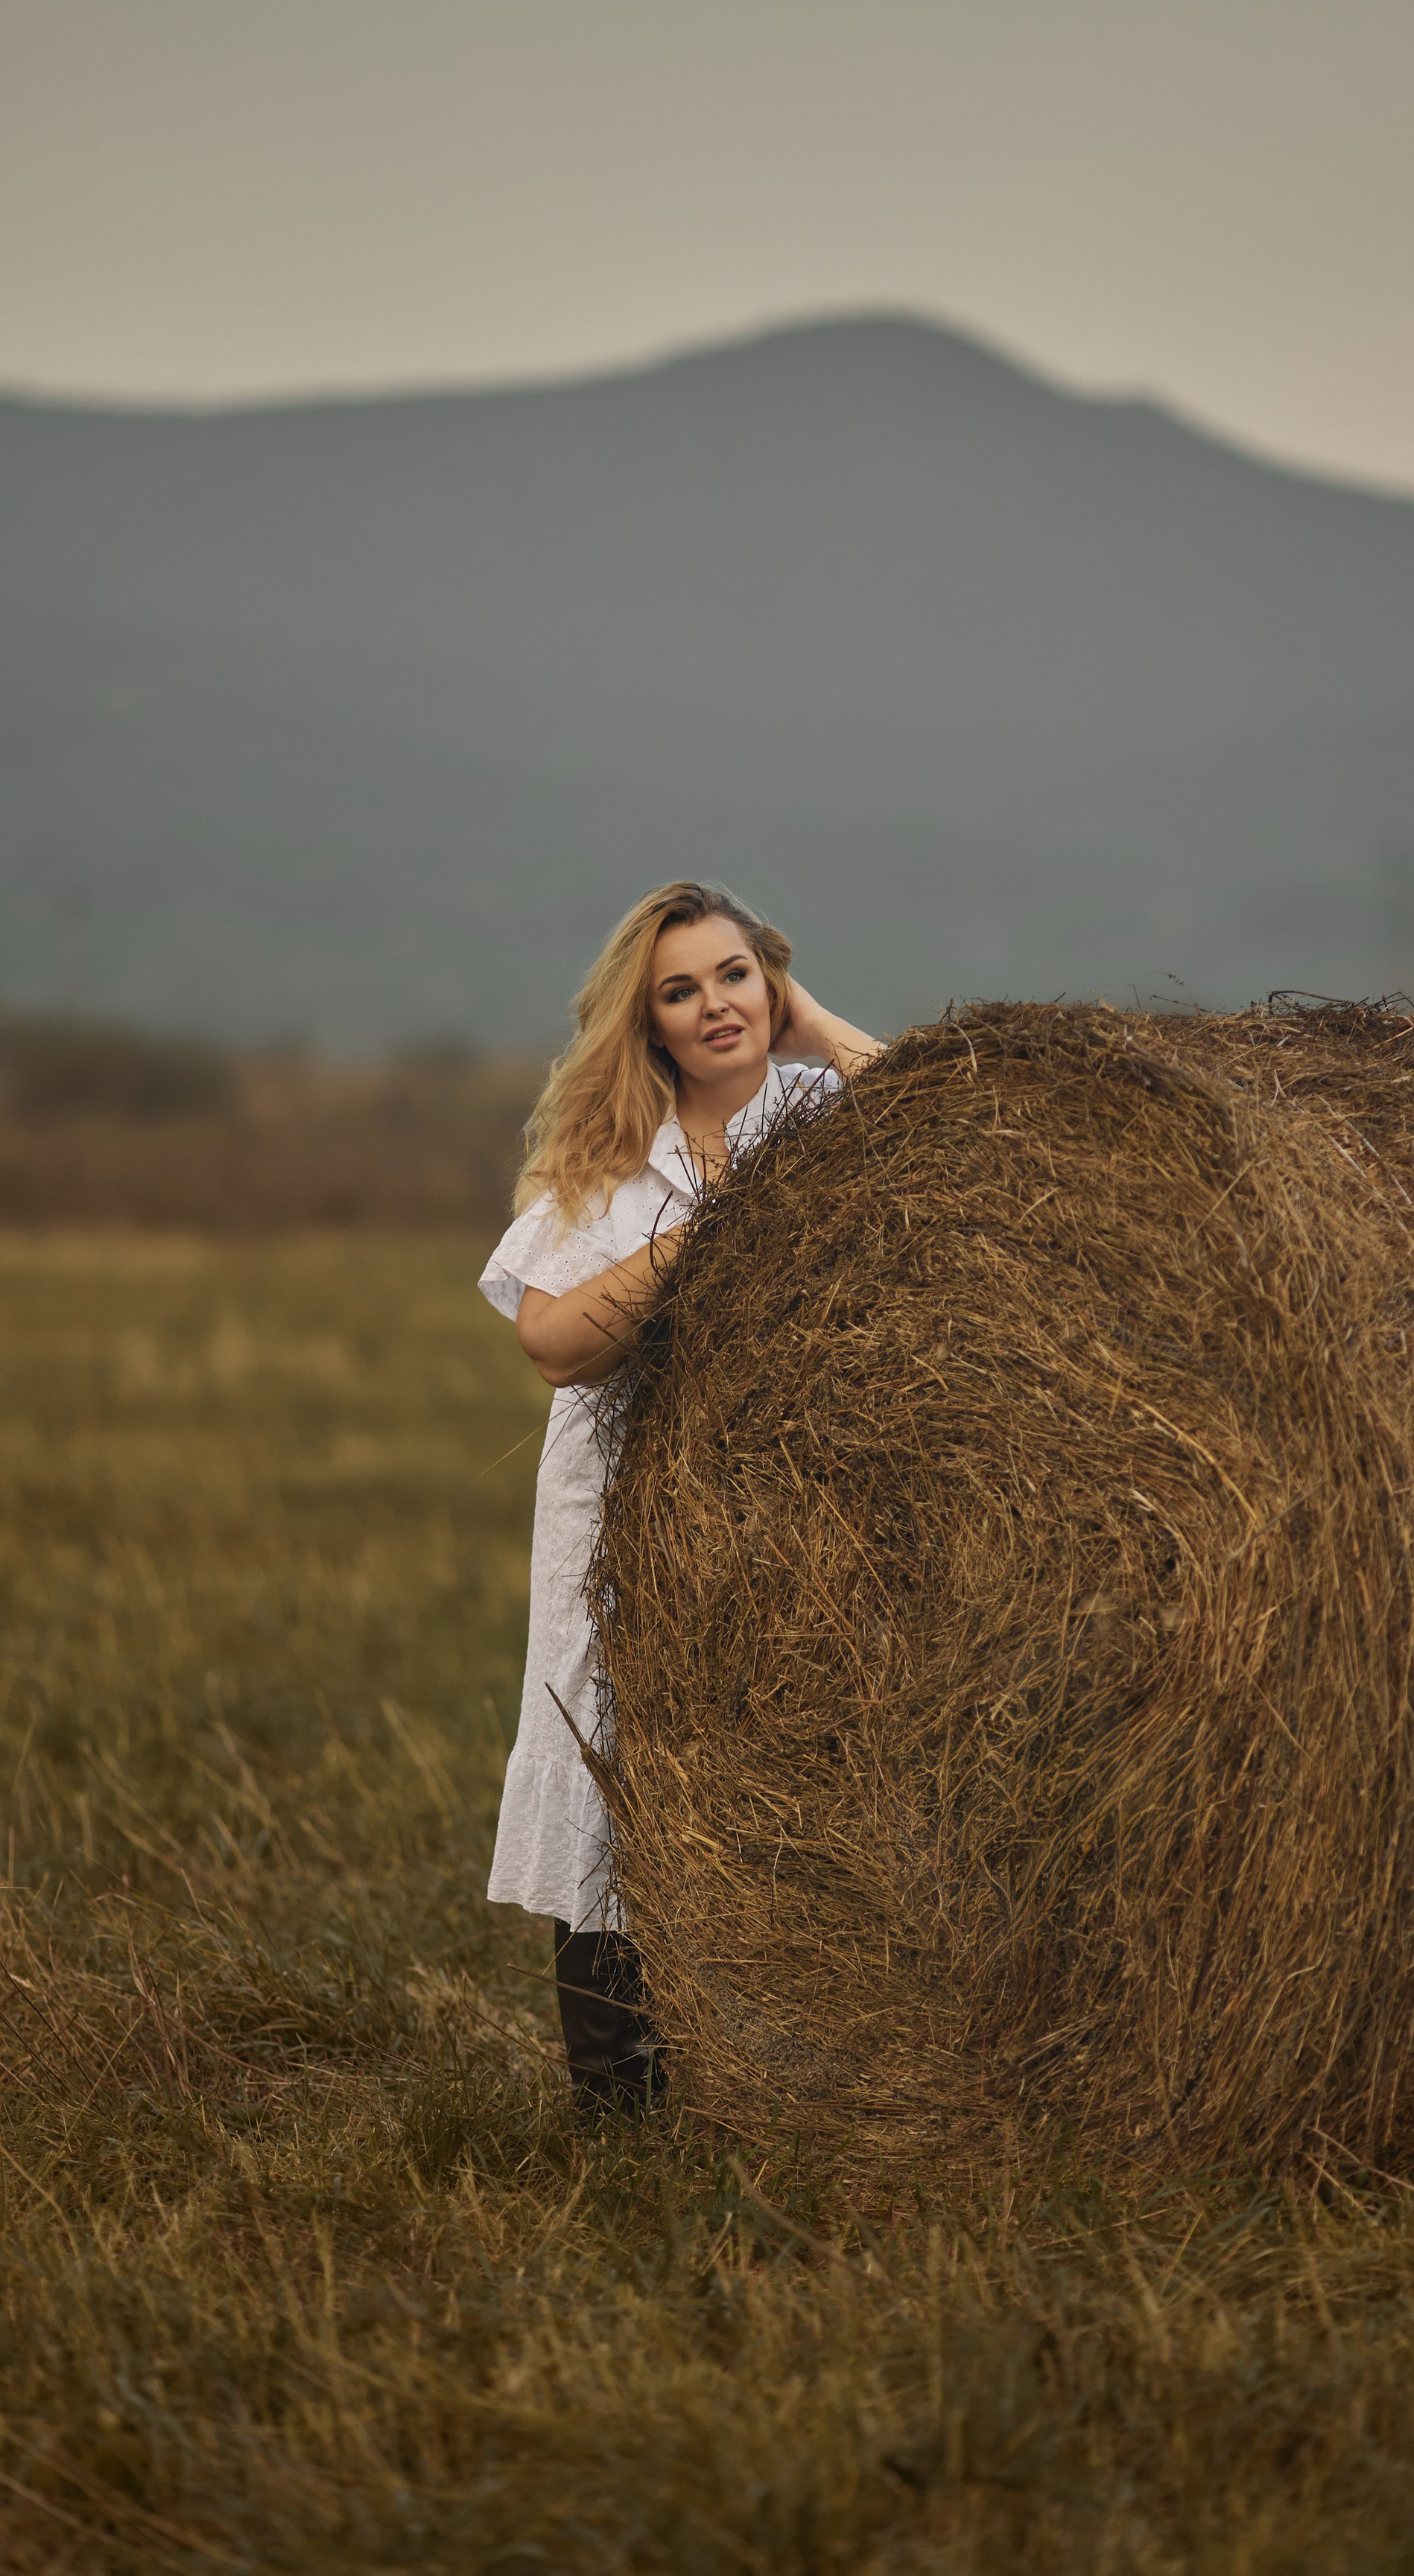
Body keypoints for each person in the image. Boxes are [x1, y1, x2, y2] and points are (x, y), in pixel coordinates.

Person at [478, 881, 881, 2109]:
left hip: (800, 1494)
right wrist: (716, 1222)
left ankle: (786, 2059)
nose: (715, 1005)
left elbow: (956, 1123)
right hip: (622, 1511)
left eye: (736, 975)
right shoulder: (609, 1160)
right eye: (680, 990)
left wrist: (816, 1025)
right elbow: (554, 1342)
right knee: (604, 1750)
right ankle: (620, 2096)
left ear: (774, 981)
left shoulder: (827, 1112)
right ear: (644, 1020)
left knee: (789, 1743)